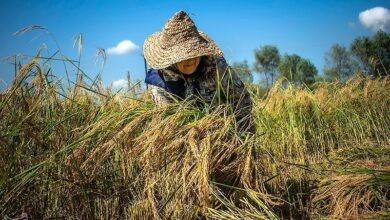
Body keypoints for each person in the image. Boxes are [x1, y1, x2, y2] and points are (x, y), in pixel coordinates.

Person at [144, 10, 254, 132]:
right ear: (172, 60)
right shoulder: (160, 84)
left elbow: (243, 103)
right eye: (183, 57)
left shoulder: (218, 68)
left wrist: (240, 138)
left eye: (194, 53)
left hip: (225, 133)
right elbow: (170, 127)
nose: (191, 60)